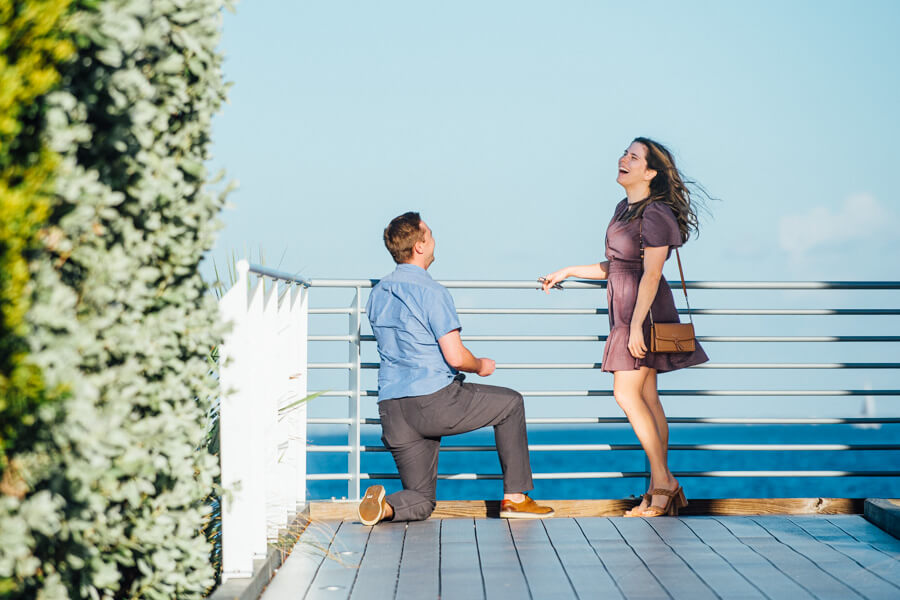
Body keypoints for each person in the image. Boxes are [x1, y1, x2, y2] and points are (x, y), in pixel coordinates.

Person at [540, 137, 709, 517]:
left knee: (625, 394)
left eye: (634, 157)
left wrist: (634, 328)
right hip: (627, 314)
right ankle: (658, 488)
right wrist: (567, 270)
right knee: (647, 398)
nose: (624, 159)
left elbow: (651, 275)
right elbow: (615, 266)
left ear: (650, 172)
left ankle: (664, 481)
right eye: (624, 153)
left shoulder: (655, 214)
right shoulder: (624, 209)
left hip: (643, 315)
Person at [358, 211, 554, 525]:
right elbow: (455, 357)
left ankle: (384, 507)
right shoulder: (432, 292)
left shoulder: (378, 293)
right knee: (511, 404)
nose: (435, 241)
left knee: (421, 501)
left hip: (393, 410)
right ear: (420, 246)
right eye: (431, 235)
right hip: (434, 402)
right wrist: (481, 366)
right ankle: (516, 499)